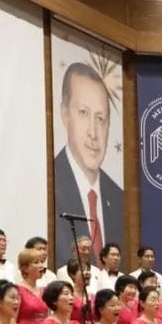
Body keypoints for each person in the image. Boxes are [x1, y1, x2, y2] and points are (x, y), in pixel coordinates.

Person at [54, 62, 123, 263]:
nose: (93, 133)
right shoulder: (49, 185)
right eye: (83, 113)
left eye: (101, 119)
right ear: (65, 114)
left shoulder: (119, 198)